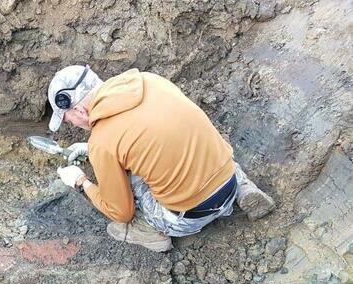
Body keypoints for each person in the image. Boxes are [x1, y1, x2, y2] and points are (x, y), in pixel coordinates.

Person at [46, 65, 276, 252]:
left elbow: (119, 212)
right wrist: (93, 148)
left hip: (191, 216)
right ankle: (244, 188)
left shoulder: (103, 142)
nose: (74, 125)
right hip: (228, 177)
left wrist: (80, 181)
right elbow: (155, 135)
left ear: (80, 111)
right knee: (190, 142)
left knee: (128, 188)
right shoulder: (149, 80)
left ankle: (148, 231)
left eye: (68, 120)